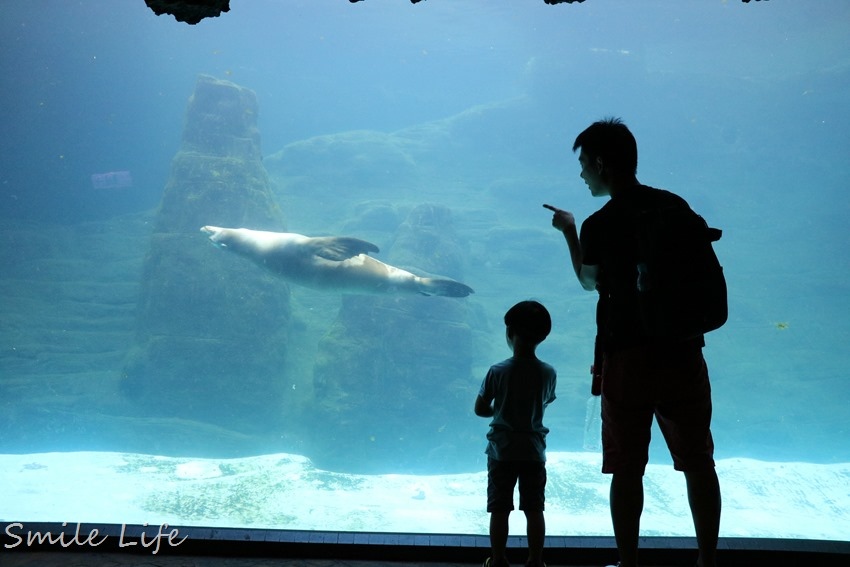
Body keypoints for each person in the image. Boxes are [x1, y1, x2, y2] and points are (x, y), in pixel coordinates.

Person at [544, 117, 722, 567]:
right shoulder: (674, 206)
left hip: (626, 356)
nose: (582, 174)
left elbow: (589, 282)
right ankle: (706, 558)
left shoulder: (600, 223)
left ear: (602, 164)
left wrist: (568, 229)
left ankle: (628, 561)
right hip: (682, 351)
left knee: (626, 466)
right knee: (698, 460)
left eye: (584, 163)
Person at [475, 300, 558, 567]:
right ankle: (535, 560)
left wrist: (499, 410)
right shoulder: (548, 372)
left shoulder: (497, 371)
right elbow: (545, 402)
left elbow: (480, 409)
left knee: (500, 508)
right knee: (534, 508)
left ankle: (497, 559)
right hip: (534, 451)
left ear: (509, 333)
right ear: (543, 337)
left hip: (502, 450)